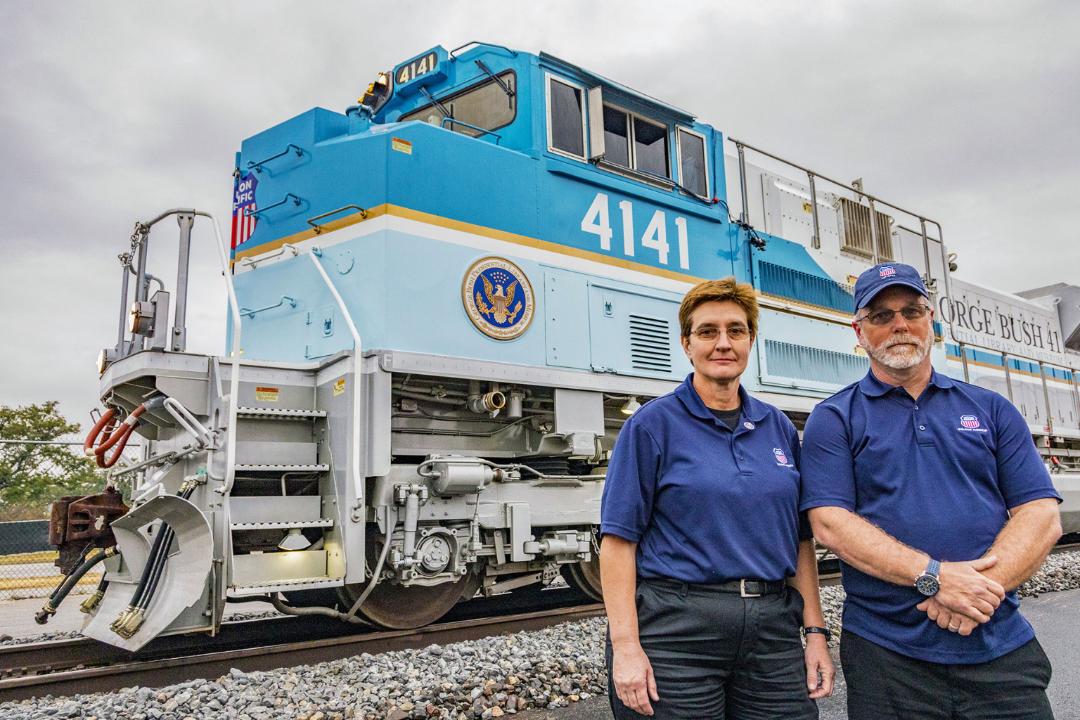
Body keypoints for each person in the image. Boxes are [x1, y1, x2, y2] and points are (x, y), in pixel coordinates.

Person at [801, 262, 1063, 720]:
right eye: (881, 316)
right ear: (859, 332)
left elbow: (1042, 514)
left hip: (998, 646)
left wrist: (979, 591)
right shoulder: (835, 417)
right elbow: (829, 522)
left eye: (911, 311)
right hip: (888, 659)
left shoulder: (991, 409)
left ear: (932, 322)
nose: (899, 324)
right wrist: (936, 576)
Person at [600, 277, 834, 719]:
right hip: (676, 635)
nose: (723, 343)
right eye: (708, 332)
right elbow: (617, 542)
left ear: (751, 341)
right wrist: (626, 647)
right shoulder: (651, 427)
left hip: (772, 635)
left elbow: (801, 541)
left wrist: (816, 633)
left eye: (736, 330)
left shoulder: (779, 428)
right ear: (687, 344)